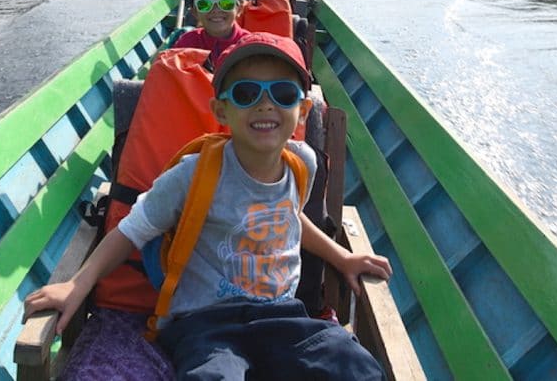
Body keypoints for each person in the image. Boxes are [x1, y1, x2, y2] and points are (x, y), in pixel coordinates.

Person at [24, 32, 391, 379]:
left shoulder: (302, 163)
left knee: (355, 366)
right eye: (246, 93)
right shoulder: (194, 174)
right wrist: (77, 284)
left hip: (282, 316)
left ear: (303, 107)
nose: (266, 104)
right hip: (207, 324)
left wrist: (342, 259)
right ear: (220, 110)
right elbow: (130, 231)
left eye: (282, 92)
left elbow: (290, 219)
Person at [173, 0, 249, 65]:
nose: (216, 10)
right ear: (195, 12)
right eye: (204, 4)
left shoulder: (249, 45)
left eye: (226, 3)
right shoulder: (187, 42)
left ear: (240, 9)